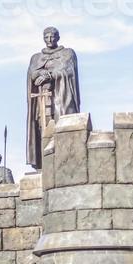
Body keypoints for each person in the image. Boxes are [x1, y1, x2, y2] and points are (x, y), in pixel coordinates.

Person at [26, 27, 80, 169]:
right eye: (46, 37)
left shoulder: (67, 53)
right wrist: (40, 72)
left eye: (52, 37)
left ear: (58, 37)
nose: (50, 40)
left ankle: (65, 162)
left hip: (61, 97)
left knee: (61, 127)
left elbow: (68, 71)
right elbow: (32, 73)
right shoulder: (36, 58)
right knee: (42, 128)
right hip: (41, 99)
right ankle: (45, 165)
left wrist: (50, 75)